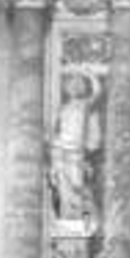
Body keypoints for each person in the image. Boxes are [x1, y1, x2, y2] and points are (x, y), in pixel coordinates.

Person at [48, 71, 103, 226]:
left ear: (85, 87)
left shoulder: (86, 105)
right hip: (61, 152)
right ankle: (68, 220)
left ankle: (82, 221)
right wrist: (55, 148)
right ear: (67, 88)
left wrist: (89, 73)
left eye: (80, 83)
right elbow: (55, 130)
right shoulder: (63, 108)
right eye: (72, 83)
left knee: (78, 187)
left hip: (77, 153)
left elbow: (98, 91)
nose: (75, 86)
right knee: (64, 189)